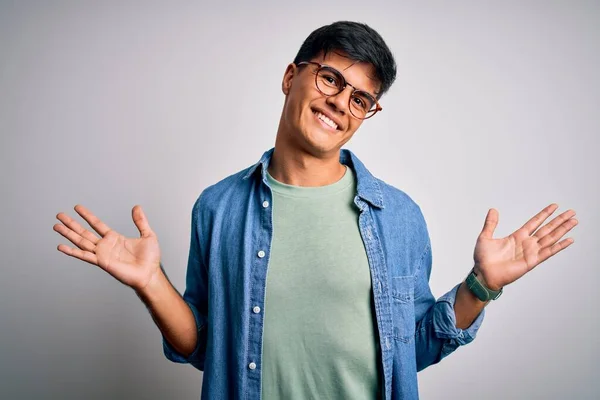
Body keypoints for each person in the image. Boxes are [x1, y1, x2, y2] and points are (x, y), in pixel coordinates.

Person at [53, 21, 578, 400]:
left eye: (360, 99)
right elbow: (208, 349)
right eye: (330, 79)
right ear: (291, 77)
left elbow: (409, 353)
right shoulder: (218, 208)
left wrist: (481, 287)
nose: (340, 103)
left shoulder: (398, 216)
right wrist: (150, 282)